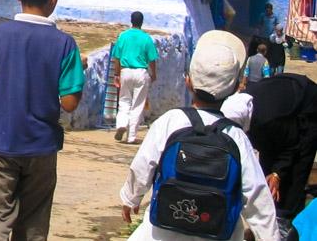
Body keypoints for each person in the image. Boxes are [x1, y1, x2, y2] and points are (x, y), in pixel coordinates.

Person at [119, 30, 279, 240]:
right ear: (233, 91)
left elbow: (143, 165)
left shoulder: (170, 121)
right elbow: (257, 196)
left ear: (188, 82)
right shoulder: (236, 137)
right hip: (218, 232)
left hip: (165, 231)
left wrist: (131, 199)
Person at [0, 0, 85, 241]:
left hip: (0, 142)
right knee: (33, 225)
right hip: (41, 146)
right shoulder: (65, 44)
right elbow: (70, 102)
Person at [228, 74, 317, 220]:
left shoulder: (267, 121)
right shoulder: (242, 106)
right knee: (266, 165)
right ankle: (270, 205)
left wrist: (277, 173)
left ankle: (288, 218)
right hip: (282, 103)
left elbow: (291, 144)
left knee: (297, 169)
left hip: (308, 106)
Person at [112, 11, 159, 145]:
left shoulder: (123, 36)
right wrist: (154, 74)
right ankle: (131, 136)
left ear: (131, 21)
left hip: (125, 71)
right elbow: (152, 59)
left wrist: (116, 74)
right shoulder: (146, 38)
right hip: (141, 72)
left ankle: (121, 123)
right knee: (137, 104)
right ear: (141, 22)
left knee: (124, 101)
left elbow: (117, 57)